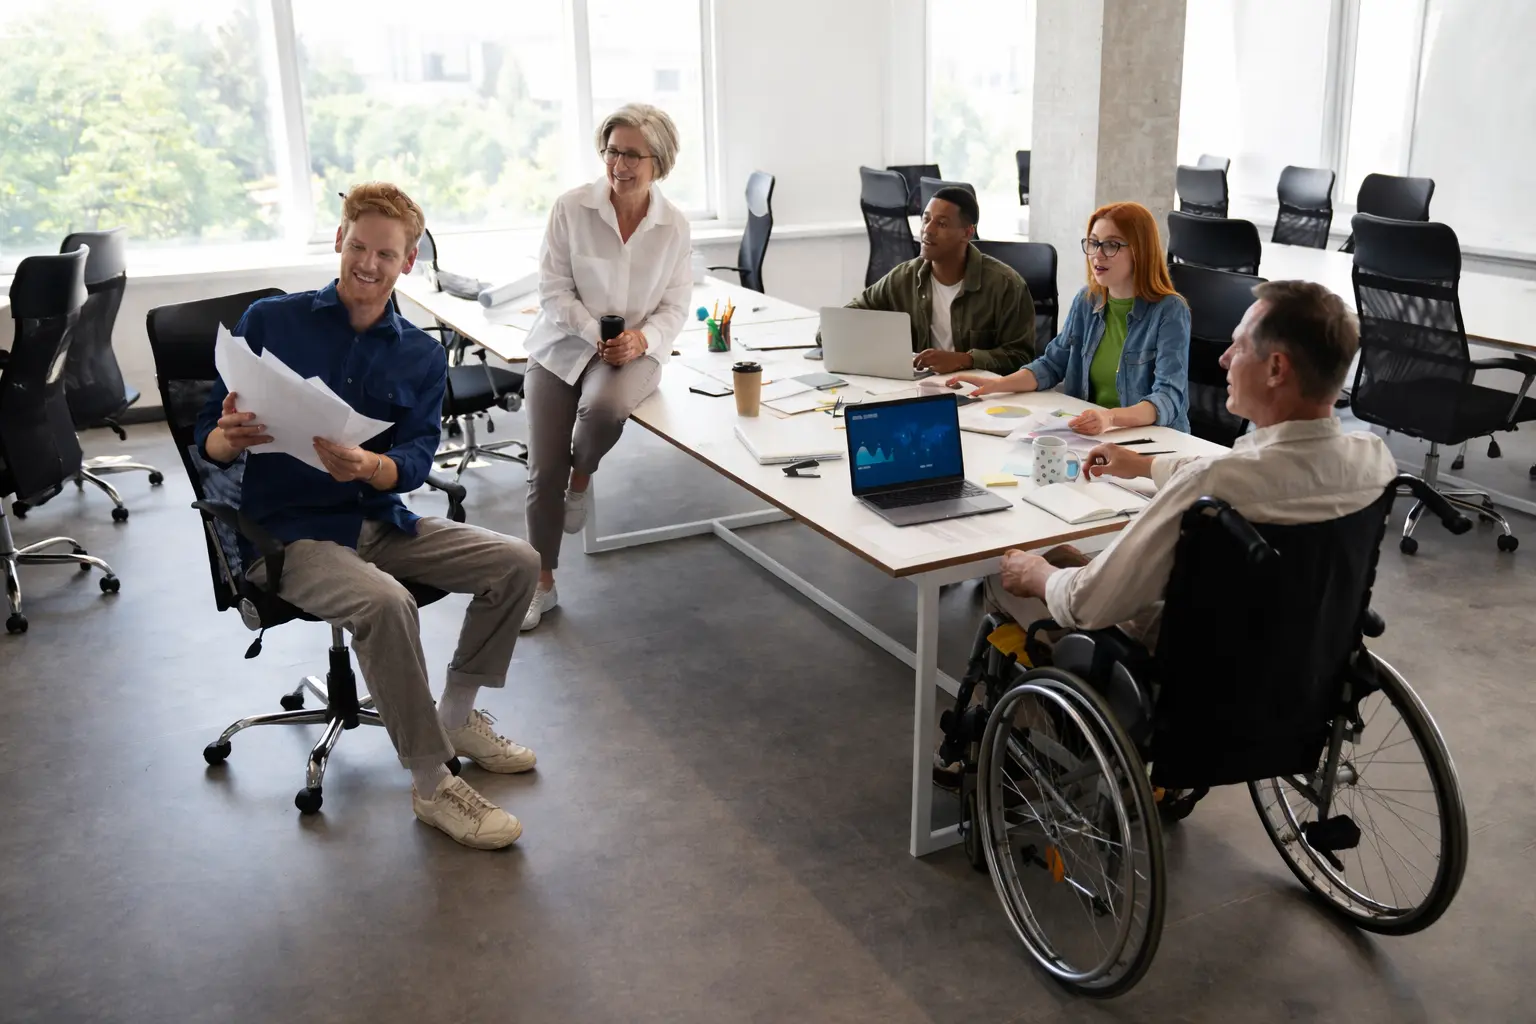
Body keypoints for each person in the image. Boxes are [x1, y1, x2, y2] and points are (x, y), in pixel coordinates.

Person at [196, 182, 541, 851]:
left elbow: (413, 457)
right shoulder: (272, 319)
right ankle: (432, 783)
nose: (368, 263)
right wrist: (225, 438)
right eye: (358, 245)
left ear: (407, 262)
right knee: (386, 605)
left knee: (517, 563)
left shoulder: (418, 352)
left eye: (386, 253)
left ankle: (458, 716)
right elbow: (210, 435)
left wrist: (371, 467)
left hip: (377, 519)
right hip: (289, 533)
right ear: (339, 240)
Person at [987, 279, 1398, 646]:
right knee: (1074, 560)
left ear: (1276, 368)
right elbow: (1264, 471)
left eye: (1239, 346)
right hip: (1298, 661)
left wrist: (1034, 574)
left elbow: (1085, 603)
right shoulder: (1373, 460)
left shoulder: (1213, 489)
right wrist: (1143, 464)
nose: (1224, 359)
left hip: (1184, 667)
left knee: (1006, 576)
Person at [521, 103, 692, 630]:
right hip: (562, 345)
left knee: (605, 409)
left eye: (632, 154)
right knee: (541, 470)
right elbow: (552, 290)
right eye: (612, 151)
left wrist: (642, 339)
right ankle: (542, 583)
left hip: (633, 353)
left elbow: (676, 305)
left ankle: (583, 474)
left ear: (658, 162)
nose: (619, 163)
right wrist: (596, 332)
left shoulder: (673, 226)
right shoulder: (571, 208)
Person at [947, 201, 1191, 435]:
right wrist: (996, 385)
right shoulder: (1088, 300)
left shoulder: (1169, 310)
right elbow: (1052, 364)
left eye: (1111, 245)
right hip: (1091, 434)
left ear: (1140, 250)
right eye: (1094, 243)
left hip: (1153, 442)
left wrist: (1110, 418)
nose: (1098, 254)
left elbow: (1168, 397)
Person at [821, 186, 1036, 375]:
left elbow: (1021, 357)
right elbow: (850, 314)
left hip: (982, 393)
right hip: (920, 388)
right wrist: (829, 334)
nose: (928, 230)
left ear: (967, 232)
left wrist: (964, 360)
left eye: (941, 224)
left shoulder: (1006, 285)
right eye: (926, 219)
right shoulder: (904, 277)